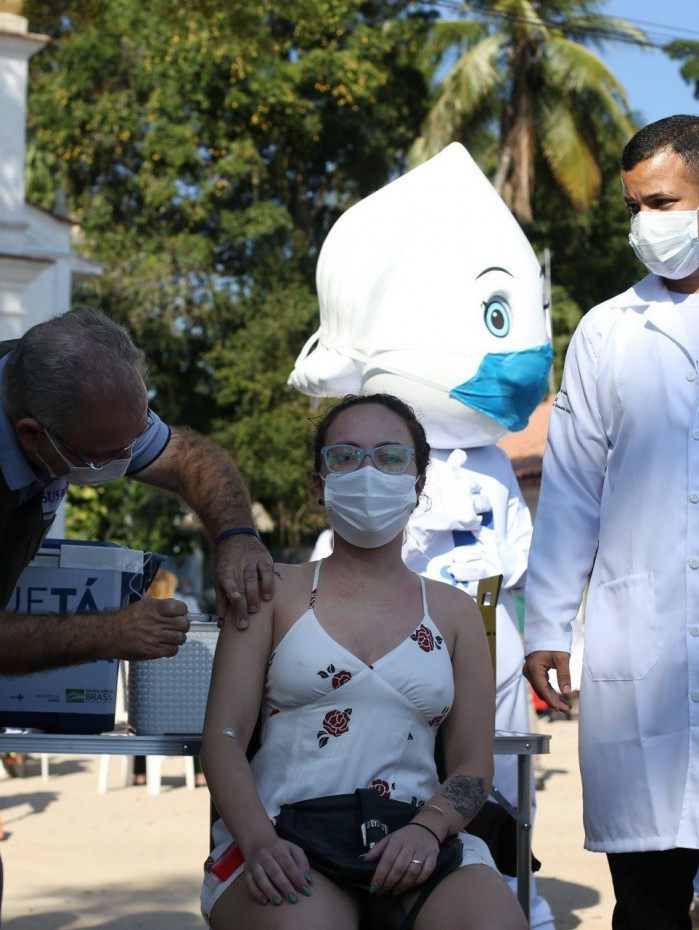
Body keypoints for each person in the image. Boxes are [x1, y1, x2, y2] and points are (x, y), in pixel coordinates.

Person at [200, 393, 526, 930]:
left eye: (390, 456)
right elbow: (225, 736)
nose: (368, 470)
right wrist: (258, 840)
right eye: (346, 456)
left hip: (418, 834)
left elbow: (472, 762)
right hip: (281, 833)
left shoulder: (455, 612)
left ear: (419, 484)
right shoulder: (270, 592)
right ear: (319, 482)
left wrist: (429, 828)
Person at [524, 114, 699, 930]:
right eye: (633, 207)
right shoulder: (604, 331)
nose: (644, 227)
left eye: (660, 203)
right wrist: (547, 624)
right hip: (643, 641)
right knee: (649, 904)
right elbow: (569, 489)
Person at [0, 307, 274, 675]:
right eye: (106, 456)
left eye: (135, 438)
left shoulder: (84, 402)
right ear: (32, 435)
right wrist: (111, 632)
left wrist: (237, 534)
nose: (128, 459)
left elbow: (186, 458)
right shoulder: (60, 404)